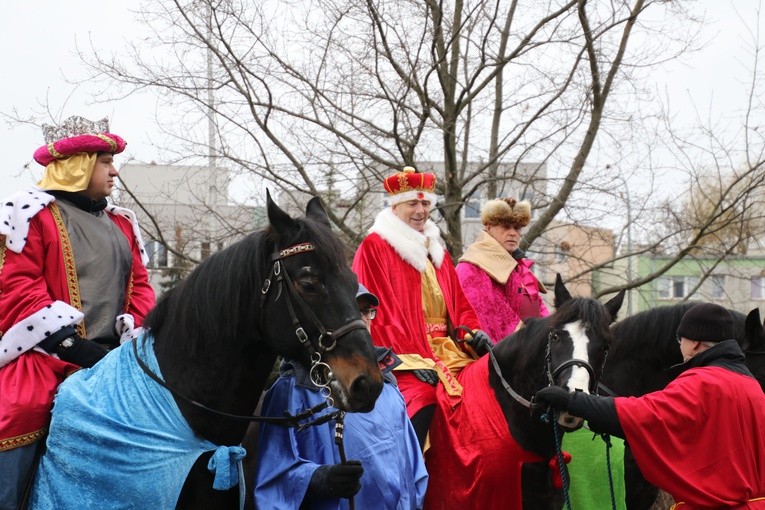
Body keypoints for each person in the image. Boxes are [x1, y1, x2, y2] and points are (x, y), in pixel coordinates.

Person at [0, 115, 155, 509]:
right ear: (78, 165)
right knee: (19, 410)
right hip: (45, 354)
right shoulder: (29, 213)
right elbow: (17, 287)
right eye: (105, 161)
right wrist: (70, 345)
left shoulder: (123, 224)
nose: (114, 170)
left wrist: (132, 336)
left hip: (118, 356)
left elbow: (141, 286)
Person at [535, 302, 765, 509]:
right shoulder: (750, 387)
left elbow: (641, 416)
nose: (680, 346)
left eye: (680, 340)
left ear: (694, 342)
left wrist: (570, 401)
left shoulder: (703, 383)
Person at [254, 284, 428, 510]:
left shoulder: (387, 387)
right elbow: (273, 476)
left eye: (367, 311)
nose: (362, 319)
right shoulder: (292, 389)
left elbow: (413, 473)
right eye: (355, 310)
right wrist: (321, 479)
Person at [351, 166, 489, 448]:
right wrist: (406, 362)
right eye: (412, 203)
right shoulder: (375, 246)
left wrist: (474, 334)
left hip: (447, 351)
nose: (420, 210)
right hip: (399, 357)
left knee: (487, 392)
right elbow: (374, 313)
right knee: (424, 400)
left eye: (425, 203)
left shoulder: (437, 251)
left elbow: (460, 306)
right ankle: (410, 474)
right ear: (396, 206)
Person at [456, 197, 549, 342]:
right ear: (489, 228)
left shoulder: (519, 266)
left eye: (517, 228)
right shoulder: (472, 267)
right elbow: (490, 319)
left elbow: (540, 310)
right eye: (506, 227)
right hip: (504, 355)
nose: (513, 233)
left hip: (531, 352)